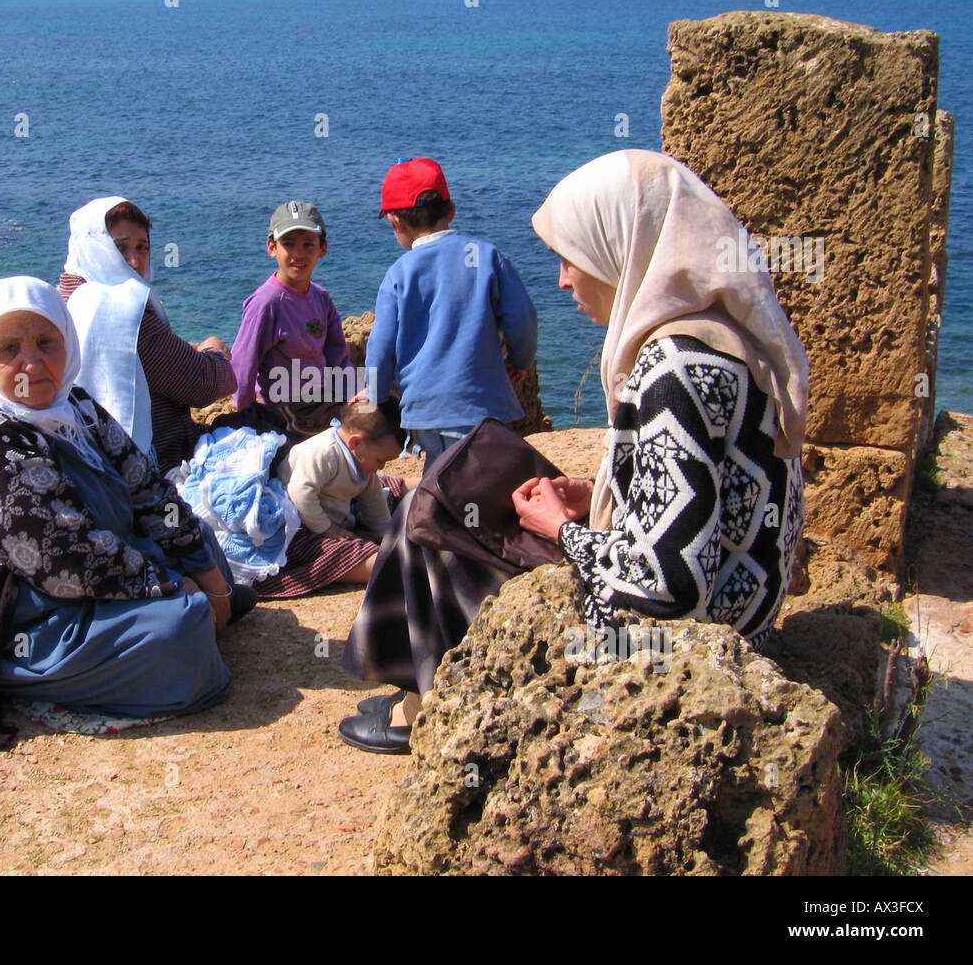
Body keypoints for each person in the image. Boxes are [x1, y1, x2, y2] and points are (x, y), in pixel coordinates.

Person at [339, 150, 809, 755]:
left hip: (688, 650)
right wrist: (602, 494)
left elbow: (668, 588)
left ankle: (424, 709)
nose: (563, 279)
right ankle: (420, 696)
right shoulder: (720, 339)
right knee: (437, 511)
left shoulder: (675, 375)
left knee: (426, 524)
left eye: (572, 258)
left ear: (622, 250)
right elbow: (703, 496)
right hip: (735, 616)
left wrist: (563, 531)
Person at [0, 276, 235, 748]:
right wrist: (173, 586)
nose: (32, 362)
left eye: (47, 342)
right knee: (180, 631)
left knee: (205, 546)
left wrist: (204, 571)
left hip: (100, 566)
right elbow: (60, 558)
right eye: (9, 349)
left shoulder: (75, 406)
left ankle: (184, 617)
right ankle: (33, 678)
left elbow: (146, 487)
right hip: (26, 614)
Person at [364, 157, 538, 468]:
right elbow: (523, 317)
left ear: (395, 223)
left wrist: (376, 395)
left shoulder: (398, 274)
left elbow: (380, 347)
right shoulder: (487, 256)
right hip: (483, 405)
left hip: (425, 409)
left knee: (440, 474)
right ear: (451, 210)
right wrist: (518, 360)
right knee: (481, 480)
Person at [59, 197, 235, 474]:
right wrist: (215, 352)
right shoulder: (123, 312)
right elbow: (205, 384)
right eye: (119, 247)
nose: (134, 260)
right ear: (92, 248)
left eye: (142, 247)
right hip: (158, 462)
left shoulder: (63, 297)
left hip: (90, 458)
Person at [255, 400, 407, 599]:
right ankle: (384, 563)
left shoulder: (362, 461)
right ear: (356, 443)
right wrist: (327, 528)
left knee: (385, 492)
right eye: (380, 461)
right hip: (297, 522)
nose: (381, 467)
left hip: (333, 509)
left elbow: (374, 500)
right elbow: (301, 493)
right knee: (332, 551)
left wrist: (387, 535)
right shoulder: (323, 452)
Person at [228, 201, 354, 438]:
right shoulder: (266, 303)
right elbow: (243, 366)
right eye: (288, 244)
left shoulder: (321, 298)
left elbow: (339, 357)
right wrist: (244, 423)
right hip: (285, 411)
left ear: (322, 248)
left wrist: (354, 396)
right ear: (271, 247)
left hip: (323, 400)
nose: (298, 254)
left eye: (308, 245)